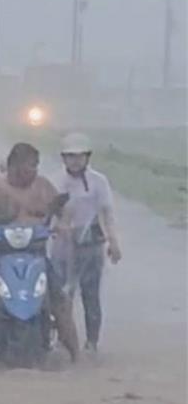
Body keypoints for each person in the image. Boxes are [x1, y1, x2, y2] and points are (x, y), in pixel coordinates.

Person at [0, 142, 79, 363]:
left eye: (35, 166)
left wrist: (64, 224)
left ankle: (74, 351)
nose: (33, 171)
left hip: (36, 254)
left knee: (59, 299)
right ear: (13, 166)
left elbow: (63, 208)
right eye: (29, 166)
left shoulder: (43, 186)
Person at [51, 133, 122, 353]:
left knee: (90, 294)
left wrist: (113, 241)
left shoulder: (98, 181)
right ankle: (62, 339)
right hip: (63, 244)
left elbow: (107, 212)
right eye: (70, 156)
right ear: (63, 158)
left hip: (91, 242)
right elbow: (50, 212)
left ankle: (91, 342)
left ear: (87, 157)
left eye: (79, 156)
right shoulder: (56, 181)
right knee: (62, 294)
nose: (75, 161)